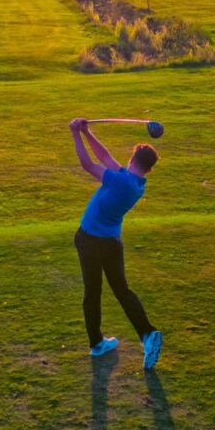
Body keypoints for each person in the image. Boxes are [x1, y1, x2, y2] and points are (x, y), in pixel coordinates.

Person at [69, 118, 162, 369]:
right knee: (122, 291)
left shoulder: (122, 181)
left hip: (90, 241)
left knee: (92, 293)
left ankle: (97, 343)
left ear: (132, 159)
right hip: (111, 243)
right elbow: (106, 157)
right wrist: (87, 131)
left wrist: (75, 134)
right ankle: (147, 333)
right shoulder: (136, 183)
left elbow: (88, 164)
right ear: (148, 168)